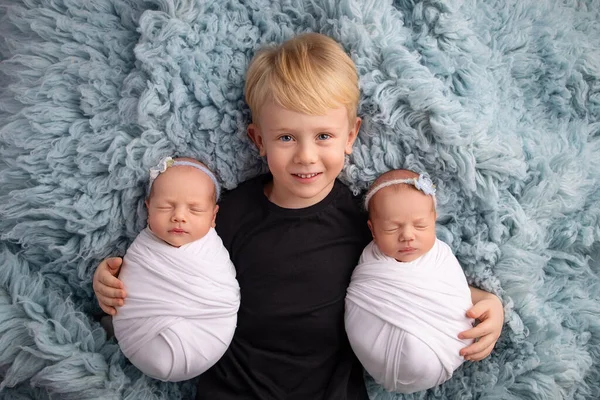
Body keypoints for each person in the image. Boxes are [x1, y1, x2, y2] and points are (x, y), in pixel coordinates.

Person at [92, 33, 504, 399]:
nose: (306, 155)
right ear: (258, 140)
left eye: (323, 136)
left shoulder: (365, 220)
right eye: (286, 137)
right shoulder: (228, 214)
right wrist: (113, 284)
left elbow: (414, 280)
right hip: (234, 388)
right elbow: (166, 264)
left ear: (351, 137)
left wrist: (484, 303)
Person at [345, 169, 476, 393]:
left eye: (420, 225)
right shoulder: (370, 263)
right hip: (379, 354)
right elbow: (360, 296)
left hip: (446, 348)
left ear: (434, 220)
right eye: (391, 227)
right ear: (373, 230)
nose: (407, 235)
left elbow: (456, 296)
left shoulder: (440, 257)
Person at [111, 156, 240, 382]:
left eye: (195, 209)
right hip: (139, 338)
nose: (179, 216)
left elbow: (224, 296)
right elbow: (130, 290)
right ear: (148, 208)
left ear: (213, 216)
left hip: (206, 335)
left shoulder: (211, 253)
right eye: (165, 206)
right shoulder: (142, 251)